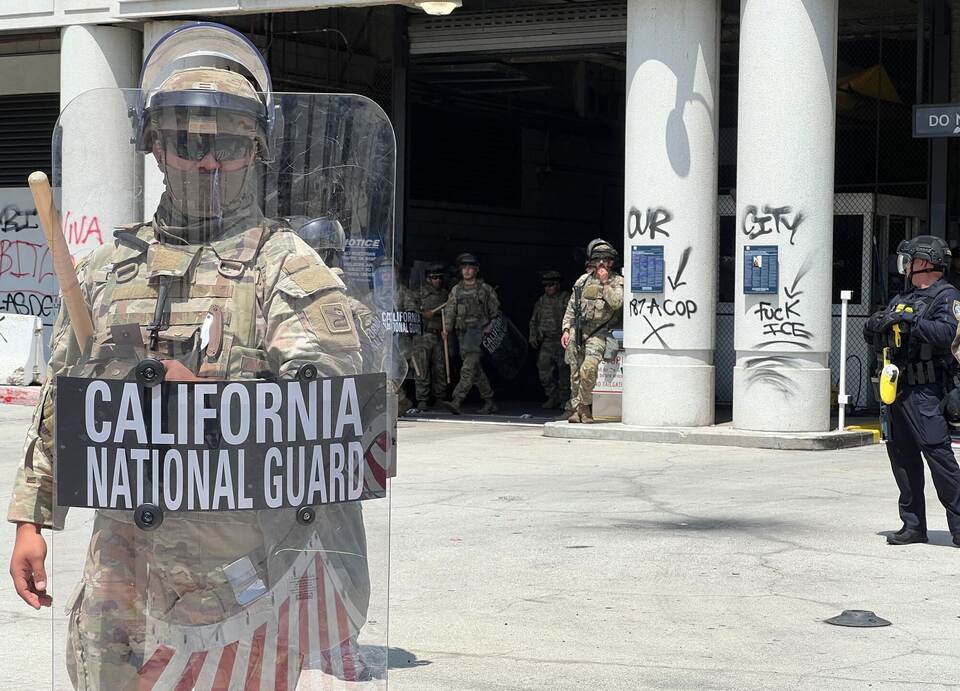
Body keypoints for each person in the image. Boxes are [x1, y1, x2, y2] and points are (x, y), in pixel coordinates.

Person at [7, 23, 379, 687]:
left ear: (255, 149)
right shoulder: (107, 269)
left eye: (230, 144)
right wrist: (33, 518)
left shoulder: (285, 268)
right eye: (188, 141)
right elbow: (65, 394)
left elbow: (330, 418)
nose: (209, 162)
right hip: (118, 572)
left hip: (232, 585)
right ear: (155, 147)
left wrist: (216, 404)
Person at [864, 235, 960, 546]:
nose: (904, 266)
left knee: (939, 457)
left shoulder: (946, 297)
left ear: (924, 262)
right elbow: (872, 332)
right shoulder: (901, 297)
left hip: (927, 392)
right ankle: (913, 525)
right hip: (897, 391)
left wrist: (910, 321)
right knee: (902, 459)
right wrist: (879, 322)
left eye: (909, 260)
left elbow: (946, 334)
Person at [561, 239, 624, 424]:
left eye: (606, 260)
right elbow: (572, 306)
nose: (602, 263)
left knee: (588, 369)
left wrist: (605, 283)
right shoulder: (583, 280)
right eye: (598, 260)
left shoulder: (617, 281)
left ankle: (584, 405)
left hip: (600, 333)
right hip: (579, 330)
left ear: (611, 262)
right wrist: (566, 329)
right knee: (574, 370)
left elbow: (616, 303)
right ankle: (576, 408)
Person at [442, 252, 499, 415]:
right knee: (476, 371)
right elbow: (450, 311)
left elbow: (495, 313)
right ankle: (490, 401)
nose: (466, 271)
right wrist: (446, 329)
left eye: (470, 268)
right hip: (462, 335)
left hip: (478, 334)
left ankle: (457, 400)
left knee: (468, 368)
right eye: (464, 268)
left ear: (476, 270)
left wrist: (490, 327)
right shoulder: (456, 290)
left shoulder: (485, 290)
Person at [529, 270, 570, 409]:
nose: (548, 288)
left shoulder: (566, 298)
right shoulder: (542, 301)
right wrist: (533, 335)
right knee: (544, 370)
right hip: (547, 341)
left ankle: (565, 400)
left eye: (551, 285)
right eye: (545, 285)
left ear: (557, 285)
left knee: (564, 373)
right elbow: (534, 320)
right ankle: (553, 396)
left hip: (562, 342)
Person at [412, 263, 449, 411]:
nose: (437, 281)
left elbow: (451, 311)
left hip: (439, 336)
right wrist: (423, 313)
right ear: (428, 279)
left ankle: (440, 397)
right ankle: (422, 399)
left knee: (440, 369)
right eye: (434, 278)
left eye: (440, 278)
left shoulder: (446, 295)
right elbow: (411, 310)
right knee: (422, 369)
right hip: (422, 335)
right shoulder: (418, 293)